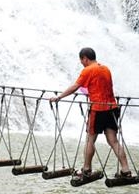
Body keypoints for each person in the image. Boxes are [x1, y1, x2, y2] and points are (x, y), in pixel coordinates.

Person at [50, 47, 132, 180]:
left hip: (98, 110)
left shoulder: (87, 70)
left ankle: (86, 169)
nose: (82, 63)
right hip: (112, 108)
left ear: (84, 58)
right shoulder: (106, 68)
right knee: (113, 141)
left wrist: (59, 97)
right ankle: (126, 170)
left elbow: (75, 87)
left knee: (90, 139)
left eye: (81, 61)